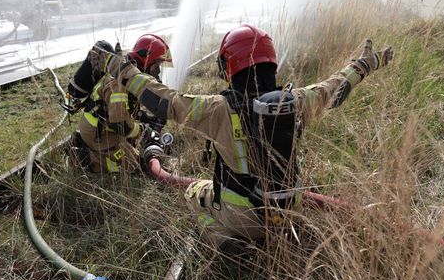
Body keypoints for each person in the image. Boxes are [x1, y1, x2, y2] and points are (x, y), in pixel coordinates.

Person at [89, 24, 393, 246]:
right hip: (290, 211)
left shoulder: (217, 109)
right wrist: (364, 65)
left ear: (228, 66)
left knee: (191, 193)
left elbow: (164, 101)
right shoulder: (296, 101)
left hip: (242, 218)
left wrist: (119, 68)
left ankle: (223, 241)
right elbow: (333, 89)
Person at [65, 34, 173, 173]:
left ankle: (83, 143)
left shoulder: (128, 76)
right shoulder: (118, 82)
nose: (157, 73)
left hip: (104, 128)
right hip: (98, 133)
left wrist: (146, 119)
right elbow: (120, 123)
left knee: (136, 154)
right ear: (145, 62)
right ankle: (81, 157)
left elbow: (125, 109)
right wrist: (143, 131)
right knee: (134, 167)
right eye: (156, 67)